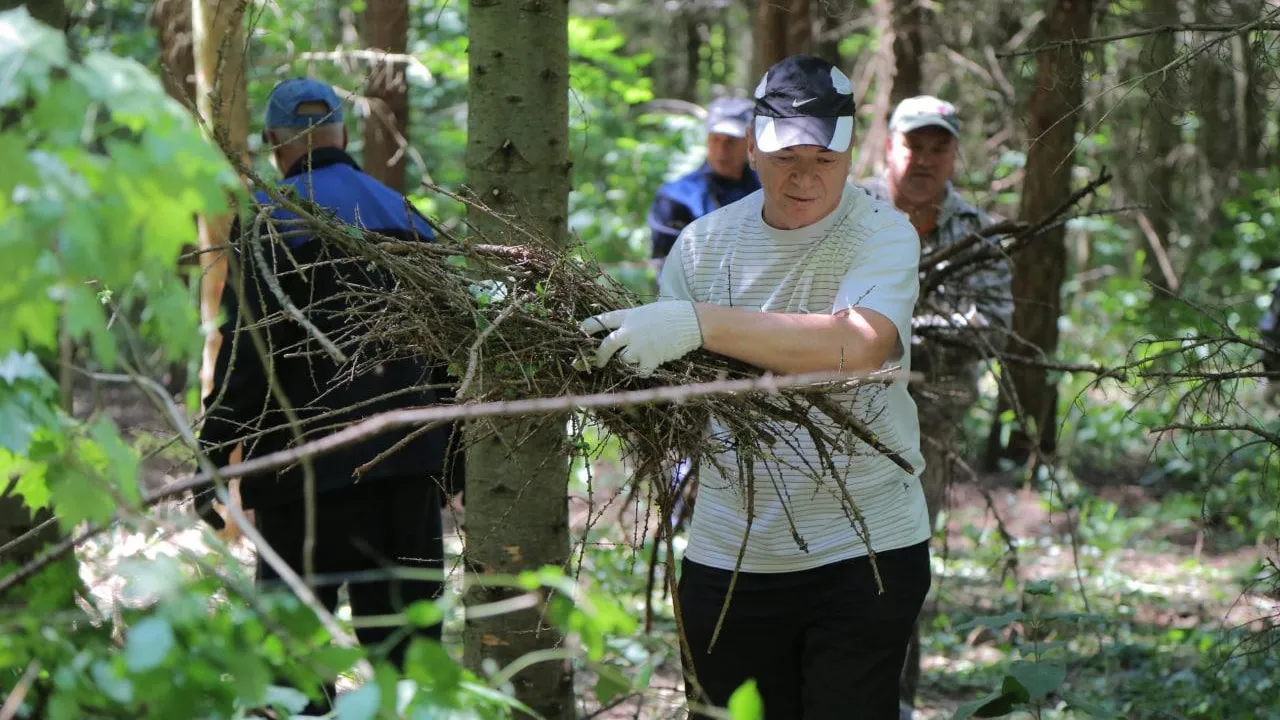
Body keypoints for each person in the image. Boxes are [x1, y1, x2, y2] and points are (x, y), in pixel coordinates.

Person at [582, 55, 930, 719]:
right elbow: (680, 392)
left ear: (851, 151)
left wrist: (698, 323)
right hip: (732, 551)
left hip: (866, 548)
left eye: (823, 160)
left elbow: (857, 345)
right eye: (784, 156)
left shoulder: (883, 232)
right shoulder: (701, 246)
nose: (803, 177)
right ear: (752, 148)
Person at [195, 78, 462, 703]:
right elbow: (454, 348)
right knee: (409, 667)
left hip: (303, 477)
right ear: (343, 135)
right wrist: (454, 458)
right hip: (406, 469)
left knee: (294, 666)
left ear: (272, 144)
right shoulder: (407, 215)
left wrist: (213, 453)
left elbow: (247, 357)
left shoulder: (268, 222)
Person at [859, 96, 1014, 716]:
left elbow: (991, 325)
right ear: (888, 148)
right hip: (836, 410)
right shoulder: (851, 212)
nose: (923, 159)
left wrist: (885, 328)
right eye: (912, 145)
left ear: (953, 155)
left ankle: (895, 699)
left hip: (929, 424)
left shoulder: (974, 229)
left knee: (899, 557)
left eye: (938, 147)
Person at [647, 96, 760, 276]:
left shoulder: (769, 190)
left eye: (730, 141)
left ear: (750, 143)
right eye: (715, 139)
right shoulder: (675, 198)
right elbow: (667, 269)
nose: (721, 150)